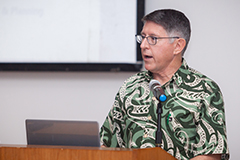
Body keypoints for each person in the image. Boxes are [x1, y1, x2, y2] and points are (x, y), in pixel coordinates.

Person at [99, 9, 229, 160]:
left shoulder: (205, 90)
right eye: (143, 37)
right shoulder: (130, 87)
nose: (143, 46)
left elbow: (211, 155)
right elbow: (106, 145)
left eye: (153, 38)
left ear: (178, 46)